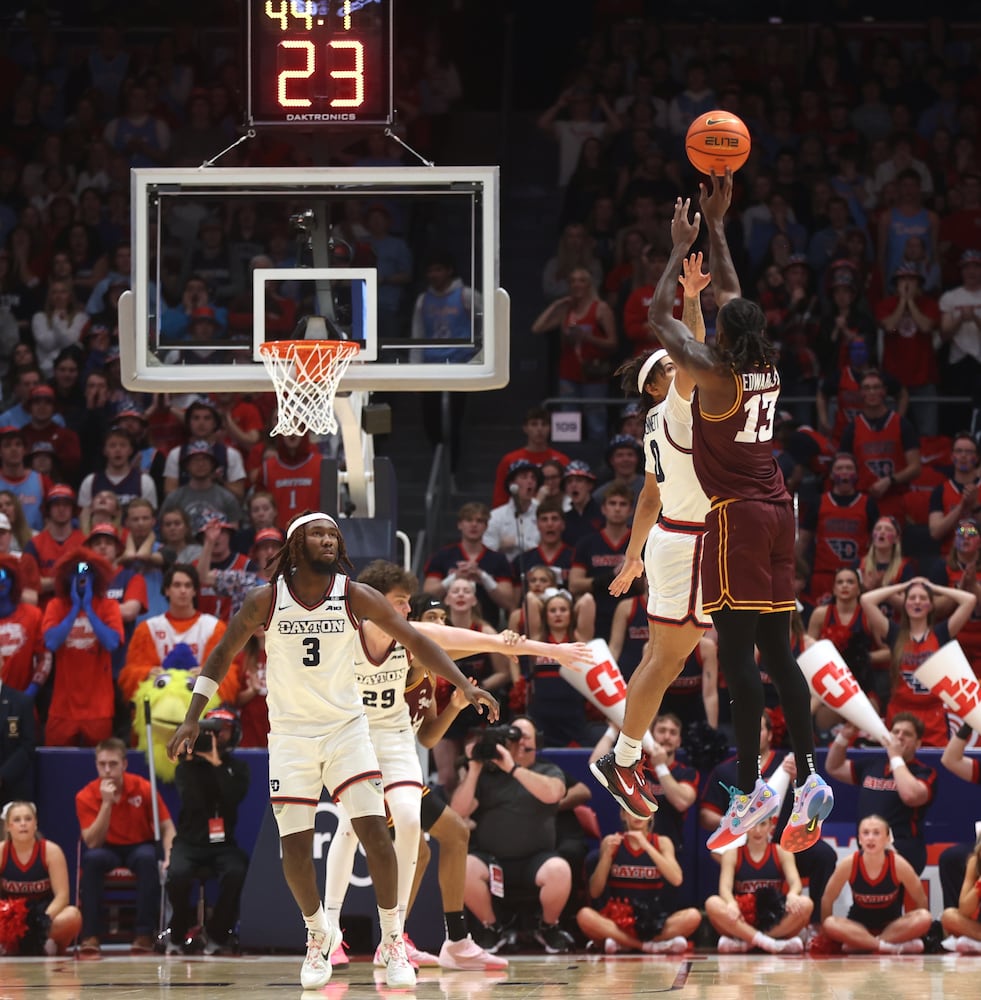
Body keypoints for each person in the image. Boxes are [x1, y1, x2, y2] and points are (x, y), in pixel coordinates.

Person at [166, 512, 497, 990]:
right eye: (317, 533)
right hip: (291, 737)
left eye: (333, 535)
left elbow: (417, 640)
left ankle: (392, 940)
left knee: (375, 835)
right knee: (295, 849)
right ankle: (318, 933)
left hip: (347, 730)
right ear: (297, 544)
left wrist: (464, 684)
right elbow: (223, 653)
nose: (327, 540)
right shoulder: (267, 599)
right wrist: (194, 715)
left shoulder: (355, 595)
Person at [649, 179, 833, 854]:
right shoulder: (765, 367)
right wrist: (719, 231)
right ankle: (808, 775)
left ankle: (753, 787)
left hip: (738, 520)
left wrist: (677, 251)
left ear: (720, 337)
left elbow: (654, 317)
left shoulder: (711, 371)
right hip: (781, 511)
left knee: (735, 661)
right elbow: (732, 299)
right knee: (778, 652)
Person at [325, 561, 588, 970]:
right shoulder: (350, 639)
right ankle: (344, 934)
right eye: (412, 610)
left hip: (393, 754)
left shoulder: (422, 668)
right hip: (356, 750)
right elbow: (478, 642)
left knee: (444, 835)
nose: (416, 620)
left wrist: (543, 651)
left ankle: (423, 938)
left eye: (432, 619)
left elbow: (430, 734)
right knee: (367, 832)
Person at [589, 251, 712, 821]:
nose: (680, 366)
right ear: (660, 383)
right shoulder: (677, 409)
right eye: (671, 365)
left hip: (671, 539)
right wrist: (691, 296)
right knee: (668, 662)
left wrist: (632, 556)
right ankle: (624, 757)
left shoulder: (655, 426)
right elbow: (695, 347)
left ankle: (624, 755)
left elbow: (648, 497)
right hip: (688, 543)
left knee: (659, 658)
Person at [451, 716, 577, 955]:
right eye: (513, 736)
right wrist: (475, 769)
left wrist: (513, 769)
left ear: (535, 743)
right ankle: (492, 927)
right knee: (463, 867)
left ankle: (548, 927)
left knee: (559, 870)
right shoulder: (487, 775)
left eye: (524, 737)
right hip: (491, 859)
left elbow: (553, 793)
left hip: (536, 860)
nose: (518, 742)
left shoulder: (548, 770)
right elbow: (458, 812)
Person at [159, 707, 249, 956]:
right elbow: (192, 801)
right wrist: (200, 760)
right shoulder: (185, 767)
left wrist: (217, 765)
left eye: (224, 732)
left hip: (223, 844)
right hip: (189, 842)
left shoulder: (238, 768)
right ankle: (177, 932)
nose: (217, 737)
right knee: (177, 874)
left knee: (236, 870)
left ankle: (218, 934)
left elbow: (233, 798)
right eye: (212, 732)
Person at [75, 737, 176, 956]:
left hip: (138, 845)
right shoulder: (85, 796)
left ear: (124, 765)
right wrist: (106, 803)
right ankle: (90, 935)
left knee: (148, 858)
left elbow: (168, 827)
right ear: (96, 766)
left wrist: (169, 856)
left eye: (113, 764)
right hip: (106, 847)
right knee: (92, 860)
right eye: (102, 765)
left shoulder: (143, 787)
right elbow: (92, 841)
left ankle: (143, 935)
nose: (107, 770)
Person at [860, 576, 977, 744]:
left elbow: (969, 600)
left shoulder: (942, 632)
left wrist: (934, 587)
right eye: (912, 598)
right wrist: (904, 585)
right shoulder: (894, 633)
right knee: (898, 762)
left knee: (936, 766)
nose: (917, 602)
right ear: (904, 604)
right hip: (900, 713)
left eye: (923, 598)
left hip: (934, 714)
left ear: (931, 606)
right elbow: (866, 600)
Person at [575, 807, 700, 954]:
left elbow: (677, 879)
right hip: (618, 920)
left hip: (652, 919)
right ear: (623, 814)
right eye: (631, 809)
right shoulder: (611, 842)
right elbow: (595, 892)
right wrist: (607, 856)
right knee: (584, 916)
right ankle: (650, 946)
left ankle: (622, 943)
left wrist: (646, 845)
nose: (638, 814)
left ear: (651, 814)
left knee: (693, 916)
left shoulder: (662, 842)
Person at [825, 713, 936, 874]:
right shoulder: (873, 765)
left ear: (918, 743)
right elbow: (833, 768)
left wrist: (895, 757)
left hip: (905, 849)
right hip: (868, 845)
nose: (899, 737)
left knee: (891, 897)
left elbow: (911, 796)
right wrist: (844, 736)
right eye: (895, 732)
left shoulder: (924, 772)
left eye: (907, 734)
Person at [41, 551, 124, 747]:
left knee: (101, 765)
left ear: (97, 576)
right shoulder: (56, 605)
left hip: (99, 708)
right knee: (56, 765)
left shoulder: (108, 606)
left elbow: (111, 643)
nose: (81, 576)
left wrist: (87, 608)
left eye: (87, 572)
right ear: (65, 577)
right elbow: (51, 642)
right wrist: (74, 609)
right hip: (62, 707)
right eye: (75, 572)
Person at [821, 814, 930, 954]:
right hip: (858, 928)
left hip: (892, 928)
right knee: (830, 923)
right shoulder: (850, 863)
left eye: (876, 833)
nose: (870, 838)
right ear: (859, 839)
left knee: (924, 917)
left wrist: (917, 932)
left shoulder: (898, 864)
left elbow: (921, 899)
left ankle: (865, 945)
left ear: (887, 838)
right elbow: (827, 899)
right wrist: (827, 938)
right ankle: (886, 947)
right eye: (865, 833)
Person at [531, 268, 617, 443]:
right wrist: (556, 305)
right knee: (567, 420)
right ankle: (568, 456)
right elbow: (537, 328)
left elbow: (613, 343)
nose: (577, 284)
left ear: (589, 284)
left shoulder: (600, 309)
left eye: (582, 280)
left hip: (593, 373)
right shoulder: (566, 311)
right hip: (568, 373)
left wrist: (588, 337)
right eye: (573, 281)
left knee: (595, 419)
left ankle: (598, 457)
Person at [704, 816, 812, 954]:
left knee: (806, 903)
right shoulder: (732, 853)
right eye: (752, 825)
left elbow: (795, 882)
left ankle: (749, 943)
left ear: (770, 827)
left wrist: (792, 894)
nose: (758, 830)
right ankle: (770, 943)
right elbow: (724, 888)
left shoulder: (781, 852)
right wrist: (731, 903)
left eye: (762, 824)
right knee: (712, 903)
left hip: (773, 918)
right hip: (741, 918)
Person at [838, 368, 922, 523]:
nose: (872, 392)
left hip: (895, 496)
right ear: (861, 393)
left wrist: (889, 480)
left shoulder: (902, 424)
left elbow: (915, 467)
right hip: (862, 498)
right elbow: (841, 466)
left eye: (876, 387)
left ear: (884, 391)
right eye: (867, 388)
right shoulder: (852, 428)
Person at [0, 800, 82, 955]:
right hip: (10, 919)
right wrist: (7, 922)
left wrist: (39, 922)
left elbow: (62, 896)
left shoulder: (51, 851)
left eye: (28, 819)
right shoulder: (1, 852)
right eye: (17, 820)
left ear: (35, 824)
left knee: (72, 915)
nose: (23, 824)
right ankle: (11, 945)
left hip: (44, 915)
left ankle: (51, 946)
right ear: (8, 826)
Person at [796, 452, 877, 602]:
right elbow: (803, 541)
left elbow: (875, 543)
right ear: (832, 475)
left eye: (849, 468)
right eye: (840, 468)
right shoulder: (819, 502)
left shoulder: (868, 503)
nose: (845, 472)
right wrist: (796, 571)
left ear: (856, 473)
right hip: (824, 574)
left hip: (856, 574)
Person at [422, 503, 515, 625]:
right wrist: (454, 577)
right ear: (460, 524)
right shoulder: (443, 556)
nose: (474, 524)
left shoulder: (498, 559)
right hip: (447, 624)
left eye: (480, 521)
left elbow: (509, 602)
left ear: (486, 526)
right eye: (469, 520)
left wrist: (483, 577)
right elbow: (428, 595)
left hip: (488, 626)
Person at [491, 407, 570, 508]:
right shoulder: (509, 460)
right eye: (534, 424)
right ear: (525, 428)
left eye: (544, 424)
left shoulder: (562, 460)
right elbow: (500, 498)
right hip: (518, 516)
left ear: (550, 428)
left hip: (554, 516)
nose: (539, 429)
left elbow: (568, 495)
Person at [482, 460, 541, 563]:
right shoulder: (495, 516)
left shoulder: (544, 514)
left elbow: (546, 550)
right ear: (512, 484)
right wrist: (499, 546)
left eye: (533, 478)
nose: (530, 481)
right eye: (524, 477)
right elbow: (487, 552)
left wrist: (516, 542)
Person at [941, 833, 981, 954]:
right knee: (949, 916)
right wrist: (979, 885)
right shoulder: (974, 862)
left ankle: (976, 942)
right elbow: (964, 910)